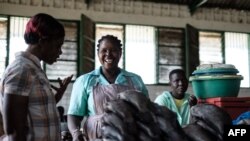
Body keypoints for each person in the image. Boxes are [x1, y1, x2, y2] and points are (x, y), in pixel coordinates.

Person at [0, 13, 73, 141]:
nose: (60, 52)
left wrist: (57, 96)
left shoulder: (33, 69)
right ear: (42, 41)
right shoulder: (22, 70)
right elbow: (14, 130)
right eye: (57, 45)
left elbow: (33, 111)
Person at [67, 35, 149, 141]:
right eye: (104, 50)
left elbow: (146, 112)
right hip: (96, 136)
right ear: (98, 54)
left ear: (120, 53)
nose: (108, 55)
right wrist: (75, 133)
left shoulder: (135, 80)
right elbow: (74, 114)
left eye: (113, 50)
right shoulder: (85, 81)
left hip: (129, 136)